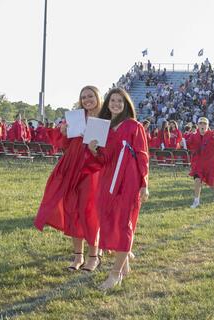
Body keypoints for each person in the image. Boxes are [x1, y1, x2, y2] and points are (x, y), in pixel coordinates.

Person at [34, 85, 103, 273]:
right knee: (72, 209)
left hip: (92, 169)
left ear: (97, 97)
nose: (87, 99)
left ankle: (93, 256)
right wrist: (64, 133)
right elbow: (65, 144)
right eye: (83, 97)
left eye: (90, 96)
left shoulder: (104, 119)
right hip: (72, 165)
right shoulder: (76, 118)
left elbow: (108, 150)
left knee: (89, 211)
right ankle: (77, 256)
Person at [86, 88, 149, 290]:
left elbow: (142, 156)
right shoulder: (104, 128)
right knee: (108, 221)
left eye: (120, 101)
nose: (115, 104)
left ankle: (115, 275)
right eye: (112, 100)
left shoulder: (134, 126)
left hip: (128, 181)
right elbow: (104, 159)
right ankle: (125, 265)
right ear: (107, 104)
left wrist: (144, 184)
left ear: (126, 104)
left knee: (123, 224)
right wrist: (94, 150)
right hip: (107, 180)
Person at [186, 117, 214, 208]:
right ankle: (196, 201)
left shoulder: (213, 134)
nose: (202, 125)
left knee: (211, 183)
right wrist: (182, 143)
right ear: (197, 125)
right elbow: (188, 144)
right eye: (201, 123)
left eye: (205, 124)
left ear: (208, 126)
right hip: (199, 163)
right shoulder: (194, 136)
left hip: (211, 163)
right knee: (197, 179)